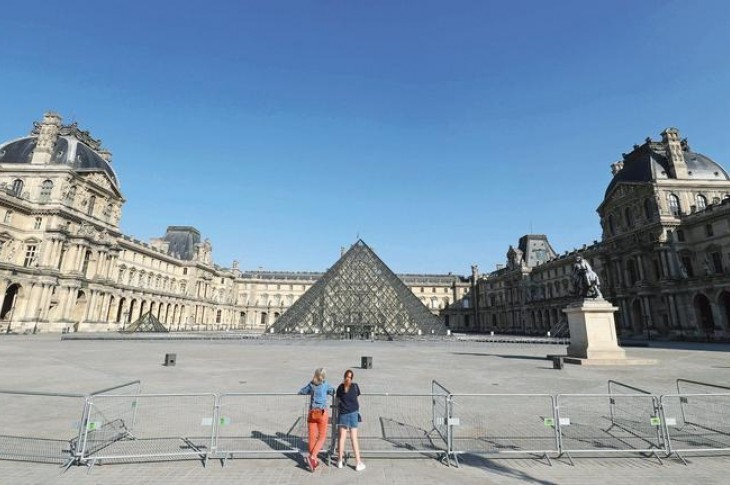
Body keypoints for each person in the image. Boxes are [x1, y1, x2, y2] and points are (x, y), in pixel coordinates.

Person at [298, 368, 335, 471]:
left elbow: (302, 391)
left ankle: (313, 461)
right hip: (322, 413)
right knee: (322, 436)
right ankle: (313, 457)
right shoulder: (325, 384)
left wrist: (301, 392)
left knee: (312, 438)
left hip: (312, 413)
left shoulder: (311, 384)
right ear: (323, 376)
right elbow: (332, 390)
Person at [336, 369, 365, 471]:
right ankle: (358, 463)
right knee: (354, 439)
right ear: (352, 378)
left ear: (344, 377)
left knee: (341, 438)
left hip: (343, 414)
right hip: (353, 413)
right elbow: (356, 396)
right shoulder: (355, 386)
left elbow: (338, 400)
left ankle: (339, 461)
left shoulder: (340, 387)